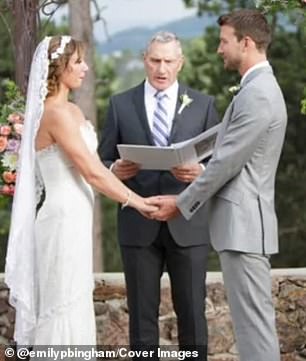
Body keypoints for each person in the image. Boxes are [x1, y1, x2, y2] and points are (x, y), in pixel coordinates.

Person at [148, 10, 287, 361]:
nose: (218, 49)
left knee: (254, 328)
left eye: (224, 41)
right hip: (241, 227)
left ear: (247, 42)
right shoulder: (256, 89)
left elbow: (225, 163)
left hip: (244, 227)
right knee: (250, 325)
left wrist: (180, 203)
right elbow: (224, 147)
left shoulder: (258, 94)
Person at [5, 35, 156, 346]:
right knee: (62, 303)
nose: (85, 68)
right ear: (59, 69)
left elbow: (97, 168)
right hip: (60, 220)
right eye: (78, 62)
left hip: (76, 217)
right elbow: (92, 172)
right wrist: (139, 202)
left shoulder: (72, 111)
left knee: (76, 299)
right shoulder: (56, 115)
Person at [98, 31, 219, 359]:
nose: (161, 68)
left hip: (188, 224)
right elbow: (102, 159)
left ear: (180, 63)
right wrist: (114, 170)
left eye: (168, 61)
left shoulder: (205, 104)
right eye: (155, 60)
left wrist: (201, 172)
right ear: (144, 60)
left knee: (193, 315)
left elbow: (220, 163)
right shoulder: (120, 104)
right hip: (138, 224)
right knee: (141, 318)